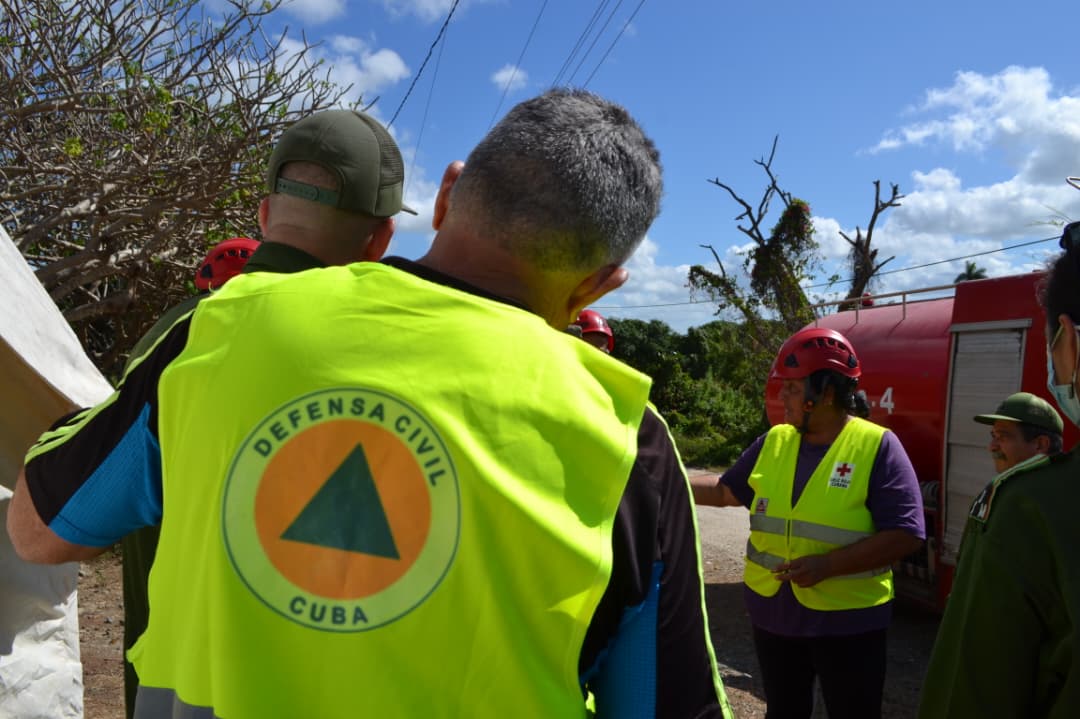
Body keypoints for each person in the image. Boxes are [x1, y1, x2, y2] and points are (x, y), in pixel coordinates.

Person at [8, 89, 731, 718]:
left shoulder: (223, 326)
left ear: (447, 195)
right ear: (602, 283)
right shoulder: (623, 434)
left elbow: (38, 533)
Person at [117, 109, 412, 718]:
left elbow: (56, 524)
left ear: (264, 213)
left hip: (169, 679)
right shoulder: (396, 346)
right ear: (381, 239)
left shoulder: (171, 338)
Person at [692, 326, 925, 719]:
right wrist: (659, 477)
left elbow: (906, 533)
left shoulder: (877, 446)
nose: (782, 396)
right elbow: (725, 491)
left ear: (827, 394)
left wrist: (828, 565)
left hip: (849, 623)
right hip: (775, 617)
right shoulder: (775, 440)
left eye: (793, 388)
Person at [918, 222, 1080, 718]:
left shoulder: (1031, 506)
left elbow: (973, 690)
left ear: (1067, 343)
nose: (992, 445)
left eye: (1005, 435)